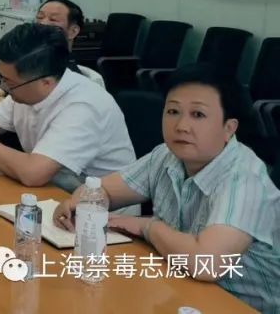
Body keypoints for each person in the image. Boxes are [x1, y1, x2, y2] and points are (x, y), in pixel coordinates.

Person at [54, 64, 280, 313]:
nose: (181, 125)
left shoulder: (244, 180)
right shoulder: (166, 155)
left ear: (229, 128)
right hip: (183, 288)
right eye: (173, 111)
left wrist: (148, 227)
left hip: (244, 305)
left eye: (198, 115)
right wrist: (80, 205)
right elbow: (102, 190)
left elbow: (206, 264)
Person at [0, 23, 136, 192]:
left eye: (9, 82)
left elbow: (34, 173)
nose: (3, 87)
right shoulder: (27, 91)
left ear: (46, 82)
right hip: (53, 193)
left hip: (101, 213)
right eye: (1, 77)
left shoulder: (83, 105)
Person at [0, 0, 104, 114]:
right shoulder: (30, 62)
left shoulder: (66, 76)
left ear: (73, 31)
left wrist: (1, 105)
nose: (42, 23)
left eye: (53, 20)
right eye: (39, 17)